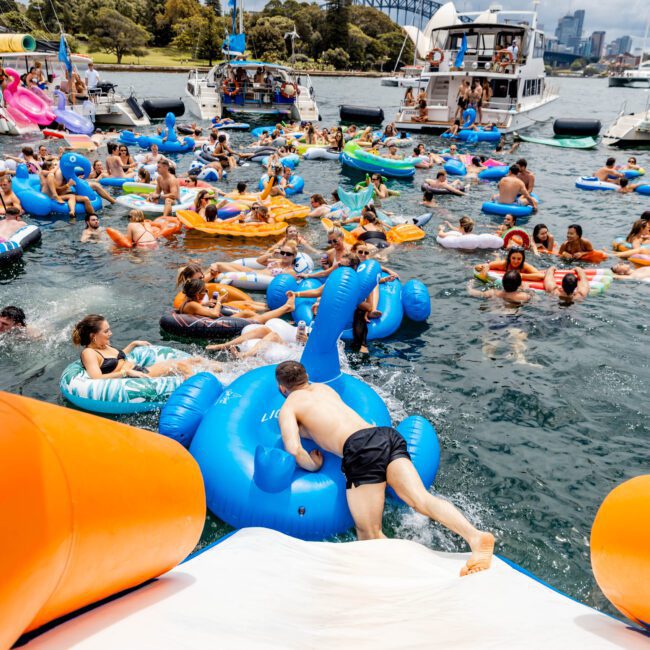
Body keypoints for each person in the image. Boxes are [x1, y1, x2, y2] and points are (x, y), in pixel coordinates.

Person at [274, 360, 495, 572]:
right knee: (421, 500)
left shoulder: (289, 406)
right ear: (307, 378)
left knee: (369, 533)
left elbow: (294, 449)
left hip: (360, 449)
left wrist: (313, 465)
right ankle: (476, 537)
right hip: (383, 435)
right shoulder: (323, 389)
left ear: (282, 388)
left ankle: (421, 577)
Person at [73, 314, 218, 379]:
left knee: (195, 360)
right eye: (106, 331)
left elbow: (114, 359)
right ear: (93, 335)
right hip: (134, 377)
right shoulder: (89, 353)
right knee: (181, 366)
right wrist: (126, 373)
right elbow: (97, 377)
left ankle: (229, 370)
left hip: (137, 370)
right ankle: (214, 384)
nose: (110, 333)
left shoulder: (104, 345)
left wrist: (133, 344)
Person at [209, 241, 300, 278]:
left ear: (294, 255)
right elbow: (259, 261)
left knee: (219, 265)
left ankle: (199, 283)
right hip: (251, 271)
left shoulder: (290, 271)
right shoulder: (277, 261)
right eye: (282, 252)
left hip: (253, 277)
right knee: (217, 264)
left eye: (288, 254)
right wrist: (271, 254)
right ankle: (198, 282)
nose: (284, 255)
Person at [476, 247, 543, 282]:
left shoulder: (524, 266)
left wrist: (521, 275)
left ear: (523, 259)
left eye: (519, 259)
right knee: (497, 259)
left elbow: (540, 276)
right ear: (509, 257)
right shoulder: (503, 264)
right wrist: (482, 267)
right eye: (513, 258)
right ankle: (497, 255)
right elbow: (482, 266)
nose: (516, 261)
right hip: (500, 263)